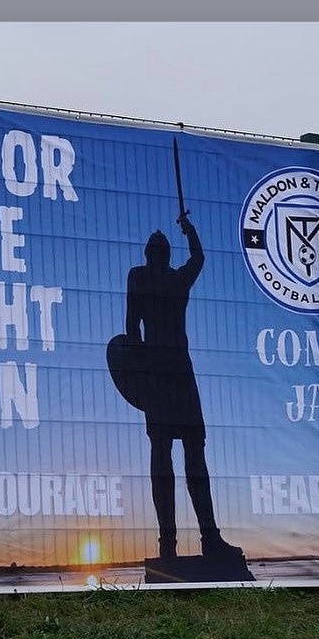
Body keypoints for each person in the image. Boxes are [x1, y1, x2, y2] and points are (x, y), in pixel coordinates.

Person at [125, 212, 242, 560]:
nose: (157, 249)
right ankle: (170, 545)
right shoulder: (150, 278)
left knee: (191, 451)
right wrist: (189, 230)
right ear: (153, 254)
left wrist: (190, 230)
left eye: (159, 246)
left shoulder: (166, 279)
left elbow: (132, 327)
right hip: (161, 370)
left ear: (157, 254)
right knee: (165, 453)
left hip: (173, 371)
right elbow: (131, 328)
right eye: (156, 246)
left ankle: (208, 538)